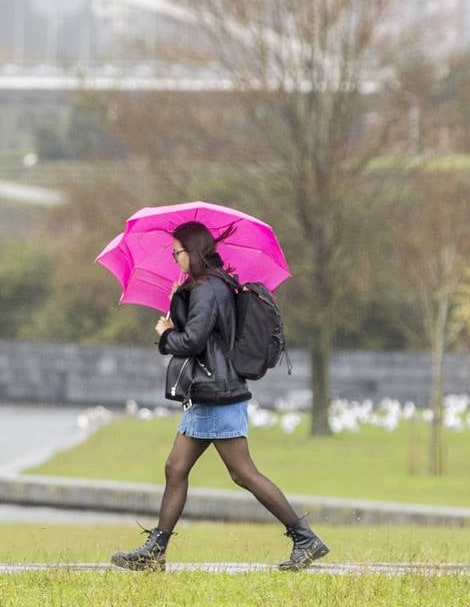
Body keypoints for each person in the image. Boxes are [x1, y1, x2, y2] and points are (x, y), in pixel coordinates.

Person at [109, 220, 329, 572]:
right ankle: (155, 551)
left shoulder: (209, 289)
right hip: (210, 389)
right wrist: (178, 302)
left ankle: (305, 538)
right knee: (175, 467)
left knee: (243, 474)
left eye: (177, 252)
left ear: (193, 252)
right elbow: (204, 335)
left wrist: (166, 333)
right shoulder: (205, 286)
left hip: (217, 391)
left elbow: (193, 341)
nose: (174, 257)